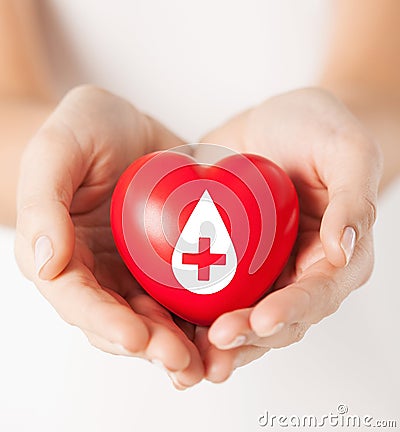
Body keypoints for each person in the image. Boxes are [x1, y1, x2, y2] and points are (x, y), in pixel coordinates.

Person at [0, 1, 399, 392]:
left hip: (349, 348)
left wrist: (341, 151)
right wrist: (53, 178)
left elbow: (385, 86)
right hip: (59, 365)